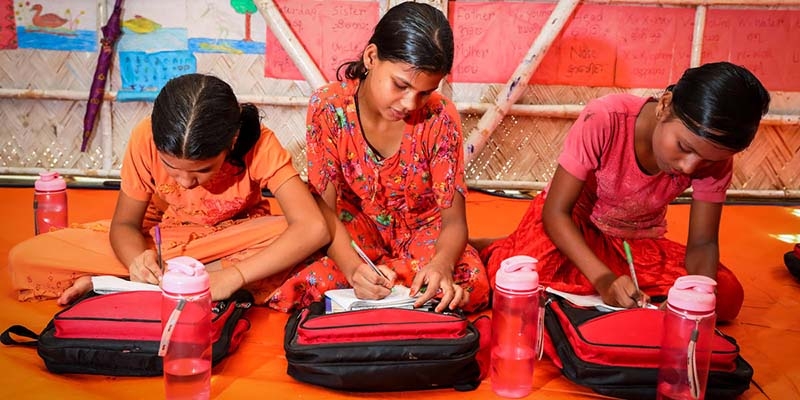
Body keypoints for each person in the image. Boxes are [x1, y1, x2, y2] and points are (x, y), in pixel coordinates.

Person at [473, 62, 770, 321]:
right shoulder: (605, 118)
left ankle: (517, 245)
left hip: (632, 245)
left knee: (725, 295)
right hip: (572, 229)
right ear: (665, 105)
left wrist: (693, 299)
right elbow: (556, 213)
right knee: (519, 277)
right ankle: (502, 247)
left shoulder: (715, 159)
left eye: (708, 160)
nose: (691, 167)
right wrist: (604, 280)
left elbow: (703, 243)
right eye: (684, 148)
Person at [8, 73, 330, 308]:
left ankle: (120, 285)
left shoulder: (259, 143)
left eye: (203, 170)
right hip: (162, 243)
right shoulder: (144, 137)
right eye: (171, 167)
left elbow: (312, 226)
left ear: (231, 142)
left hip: (231, 243)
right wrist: (137, 261)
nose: (186, 182)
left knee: (295, 236)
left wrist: (235, 276)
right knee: (25, 259)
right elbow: (124, 226)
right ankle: (173, 281)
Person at [276, 2, 490, 313]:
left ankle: (399, 278)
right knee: (304, 274)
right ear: (371, 57)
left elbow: (454, 223)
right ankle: (399, 280)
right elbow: (324, 210)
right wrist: (352, 269)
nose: (409, 104)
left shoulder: (440, 117)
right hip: (354, 231)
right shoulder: (328, 107)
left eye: (424, 92)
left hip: (422, 230)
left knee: (468, 280)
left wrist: (442, 265)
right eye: (401, 85)